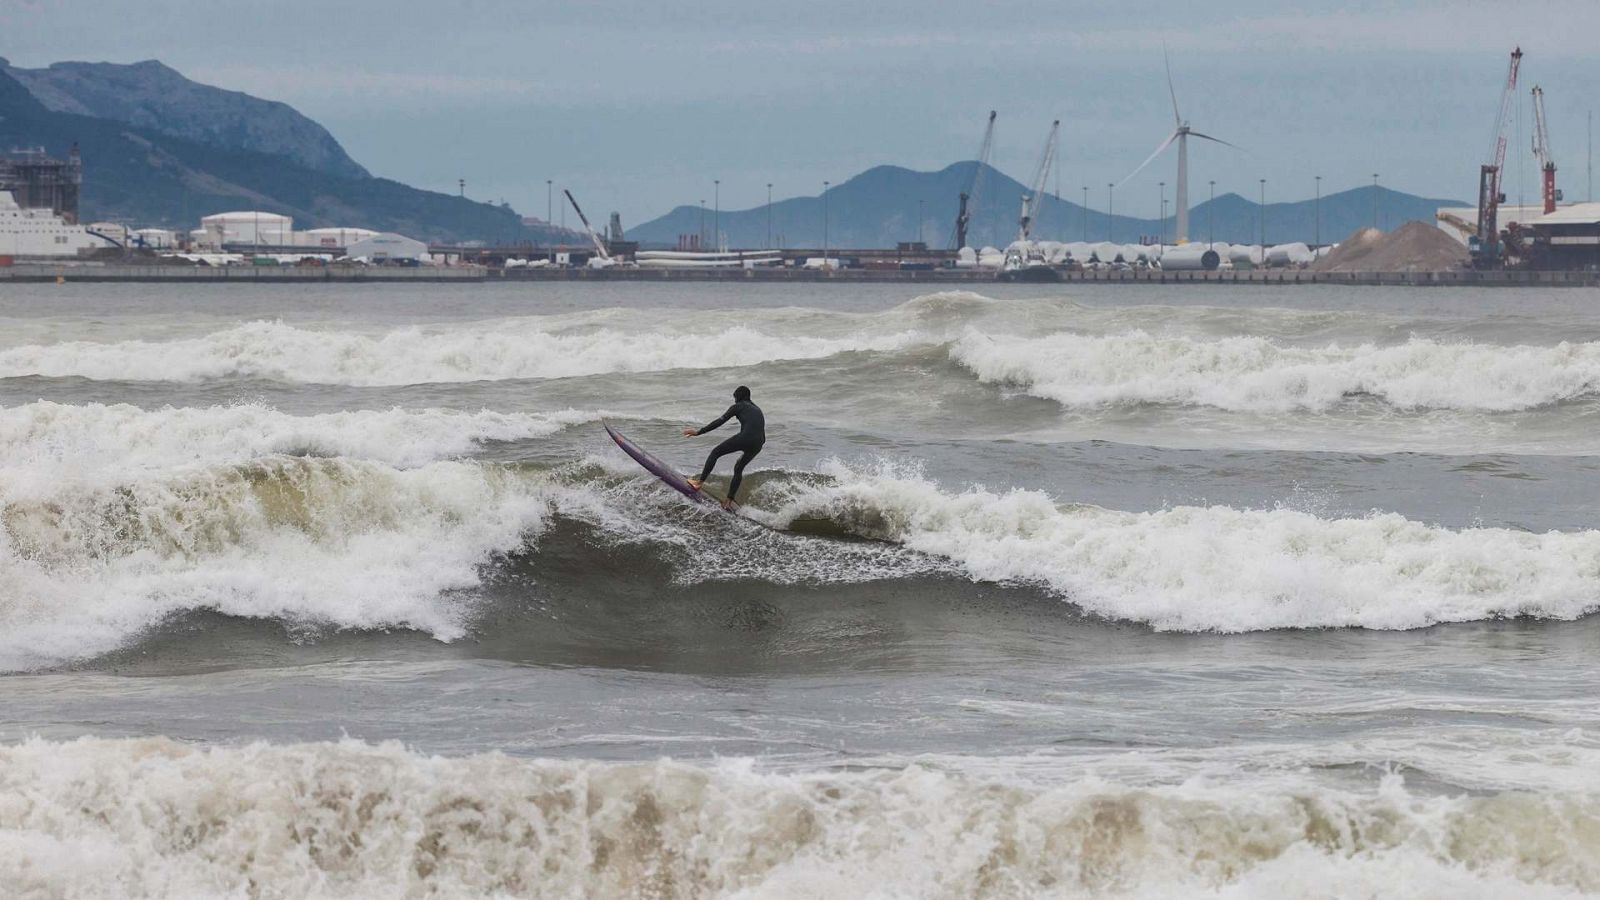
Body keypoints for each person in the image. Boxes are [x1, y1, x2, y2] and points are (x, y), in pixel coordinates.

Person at [684, 385, 765, 509]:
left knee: (715, 453)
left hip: (746, 437)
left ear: (738, 397)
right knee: (738, 468)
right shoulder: (757, 409)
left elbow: (720, 421)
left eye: (735, 398)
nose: (734, 401)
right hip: (759, 443)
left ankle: (699, 482)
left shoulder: (738, 406)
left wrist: (699, 432)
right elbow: (760, 431)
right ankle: (729, 500)